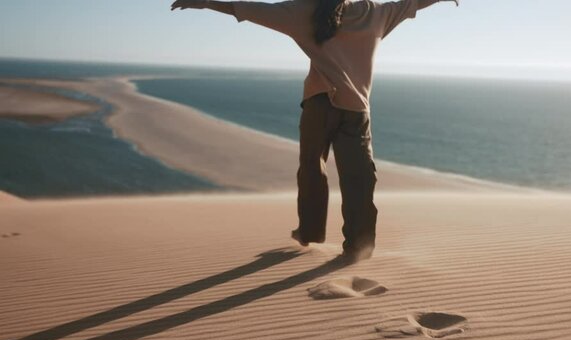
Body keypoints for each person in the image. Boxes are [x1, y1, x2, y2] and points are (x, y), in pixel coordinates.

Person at [171, 0, 459, 263]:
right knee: (357, 176)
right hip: (354, 111)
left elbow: (251, 9)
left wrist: (208, 2)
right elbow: (411, 3)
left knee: (314, 170)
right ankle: (357, 247)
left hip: (322, 106)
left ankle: (314, 233)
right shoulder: (373, 13)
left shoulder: (317, 11)